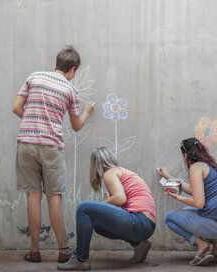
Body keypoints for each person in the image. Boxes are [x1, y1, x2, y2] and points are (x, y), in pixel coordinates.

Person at [12, 46, 94, 263]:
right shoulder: (70, 89)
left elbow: (16, 107)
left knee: (33, 196)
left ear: (57, 63)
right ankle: (64, 250)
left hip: (26, 143)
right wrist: (87, 111)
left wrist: (33, 122)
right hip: (51, 147)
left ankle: (35, 251)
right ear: (73, 69)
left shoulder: (34, 77)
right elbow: (76, 126)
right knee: (54, 196)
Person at [57, 147, 157, 271]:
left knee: (84, 208)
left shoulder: (110, 172)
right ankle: (139, 243)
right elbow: (124, 202)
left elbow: (120, 198)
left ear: (96, 164)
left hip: (139, 220)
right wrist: (110, 202)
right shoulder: (121, 172)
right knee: (97, 224)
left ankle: (81, 259)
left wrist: (106, 202)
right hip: (147, 225)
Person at [158, 137, 217, 266]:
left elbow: (198, 203)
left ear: (185, 155)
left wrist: (178, 197)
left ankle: (201, 244)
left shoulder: (195, 167)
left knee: (170, 217)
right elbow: (192, 190)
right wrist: (168, 176)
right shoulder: (209, 166)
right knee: (187, 212)